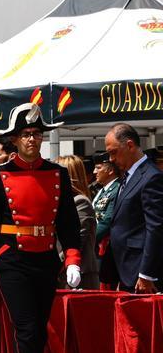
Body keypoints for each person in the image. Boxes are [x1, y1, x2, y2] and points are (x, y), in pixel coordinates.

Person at [0, 103, 82, 353]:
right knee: (26, 329)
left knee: (39, 334)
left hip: (45, 260)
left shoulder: (58, 174)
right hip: (12, 261)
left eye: (36, 133)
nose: (32, 139)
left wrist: (72, 259)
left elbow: (69, 222)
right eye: (25, 134)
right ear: (15, 139)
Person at [104, 123, 163, 293]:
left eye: (113, 152)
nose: (111, 159)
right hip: (126, 270)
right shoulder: (129, 176)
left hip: (140, 273)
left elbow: (156, 227)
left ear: (129, 145)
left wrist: (146, 274)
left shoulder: (151, 177)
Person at [55, 155, 100, 289]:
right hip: (62, 274)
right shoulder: (61, 202)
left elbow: (75, 241)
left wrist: (50, 264)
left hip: (79, 275)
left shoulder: (80, 202)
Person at [91, 152, 120, 287]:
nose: (94, 171)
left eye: (98, 168)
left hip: (105, 246)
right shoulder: (103, 190)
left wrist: (89, 240)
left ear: (110, 170)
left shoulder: (116, 189)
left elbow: (107, 221)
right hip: (98, 246)